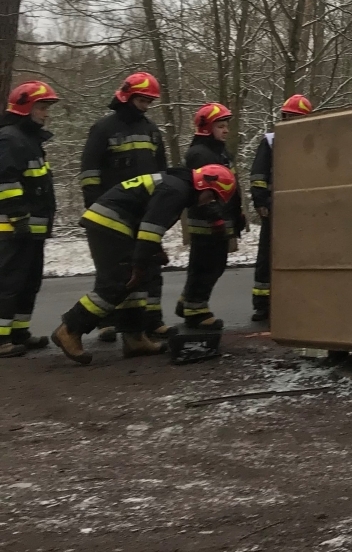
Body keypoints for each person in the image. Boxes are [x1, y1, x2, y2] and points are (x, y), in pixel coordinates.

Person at [53, 164, 237, 365]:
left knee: (137, 283)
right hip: (111, 223)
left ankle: (135, 339)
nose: (208, 202)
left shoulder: (176, 185)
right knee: (120, 281)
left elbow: (147, 219)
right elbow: (150, 228)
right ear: (205, 185)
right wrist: (140, 263)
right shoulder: (176, 191)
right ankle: (70, 328)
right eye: (212, 196)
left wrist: (152, 253)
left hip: (117, 223)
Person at [79, 72, 169, 343]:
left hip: (143, 210)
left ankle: (152, 321)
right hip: (112, 211)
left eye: (149, 101)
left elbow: (161, 171)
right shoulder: (104, 129)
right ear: (127, 96)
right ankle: (107, 321)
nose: (145, 105)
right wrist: (94, 206)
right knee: (112, 268)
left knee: (150, 265)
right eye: (142, 100)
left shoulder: (152, 130)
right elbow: (89, 173)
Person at [0, 82, 60, 358]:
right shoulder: (10, 139)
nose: (46, 114)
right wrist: (19, 217)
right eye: (42, 107)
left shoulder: (28, 139)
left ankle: (19, 332)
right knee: (9, 282)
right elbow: (7, 183)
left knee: (29, 282)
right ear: (25, 107)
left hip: (32, 228)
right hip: (13, 228)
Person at [177, 103, 243, 330]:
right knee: (205, 265)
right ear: (206, 128)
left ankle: (188, 301)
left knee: (216, 264)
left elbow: (232, 186)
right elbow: (205, 192)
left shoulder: (221, 152)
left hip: (222, 217)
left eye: (226, 126)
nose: (226, 130)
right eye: (220, 126)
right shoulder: (200, 154)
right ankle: (196, 311)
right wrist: (216, 218)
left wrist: (237, 213)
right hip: (206, 220)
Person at [249, 93, 312, 323]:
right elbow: (258, 174)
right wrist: (261, 201)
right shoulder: (271, 141)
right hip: (275, 207)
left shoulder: (311, 141)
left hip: (301, 209)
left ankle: (295, 299)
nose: (290, 121)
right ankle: (262, 304)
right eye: (288, 117)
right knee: (268, 254)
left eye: (296, 118)